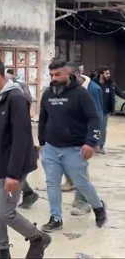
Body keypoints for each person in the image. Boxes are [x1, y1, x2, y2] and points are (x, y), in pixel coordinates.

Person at [0, 56, 50, 259]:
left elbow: (21, 138)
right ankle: (2, 251)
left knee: (5, 212)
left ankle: (38, 238)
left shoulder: (16, 98)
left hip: (11, 166)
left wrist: (13, 175)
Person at [39, 60, 107, 233]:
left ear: (67, 74)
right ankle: (56, 218)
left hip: (75, 149)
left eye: (57, 75)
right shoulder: (48, 93)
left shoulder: (81, 94)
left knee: (81, 183)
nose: (53, 78)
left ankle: (98, 207)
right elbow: (43, 118)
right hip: (51, 148)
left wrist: (91, 142)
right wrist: (41, 143)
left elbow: (95, 118)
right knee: (52, 183)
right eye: (51, 75)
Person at [65, 62, 103, 216]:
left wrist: (94, 140)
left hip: (84, 137)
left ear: (77, 74)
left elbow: (98, 115)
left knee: (81, 170)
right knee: (75, 169)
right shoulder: (65, 90)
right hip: (69, 137)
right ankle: (81, 198)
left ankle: (84, 202)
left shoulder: (92, 89)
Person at [3, 69, 39, 209]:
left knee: (13, 171)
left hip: (13, 136)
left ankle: (27, 193)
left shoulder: (18, 91)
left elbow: (28, 99)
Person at [93, 66, 125, 154]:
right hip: (95, 110)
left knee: (102, 128)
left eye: (109, 73)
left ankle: (101, 145)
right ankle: (93, 144)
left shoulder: (111, 84)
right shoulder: (93, 84)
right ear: (101, 74)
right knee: (93, 128)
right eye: (106, 73)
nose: (108, 75)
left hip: (105, 111)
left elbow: (121, 93)